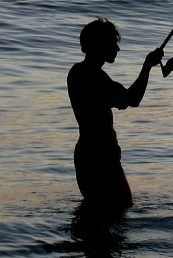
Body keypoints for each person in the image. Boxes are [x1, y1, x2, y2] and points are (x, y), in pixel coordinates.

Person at [67, 18, 164, 209]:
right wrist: (147, 66)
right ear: (101, 44)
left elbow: (121, 99)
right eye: (113, 43)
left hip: (86, 153)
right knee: (119, 209)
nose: (117, 49)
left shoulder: (77, 73)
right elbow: (132, 99)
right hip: (101, 156)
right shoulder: (95, 77)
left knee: (96, 213)